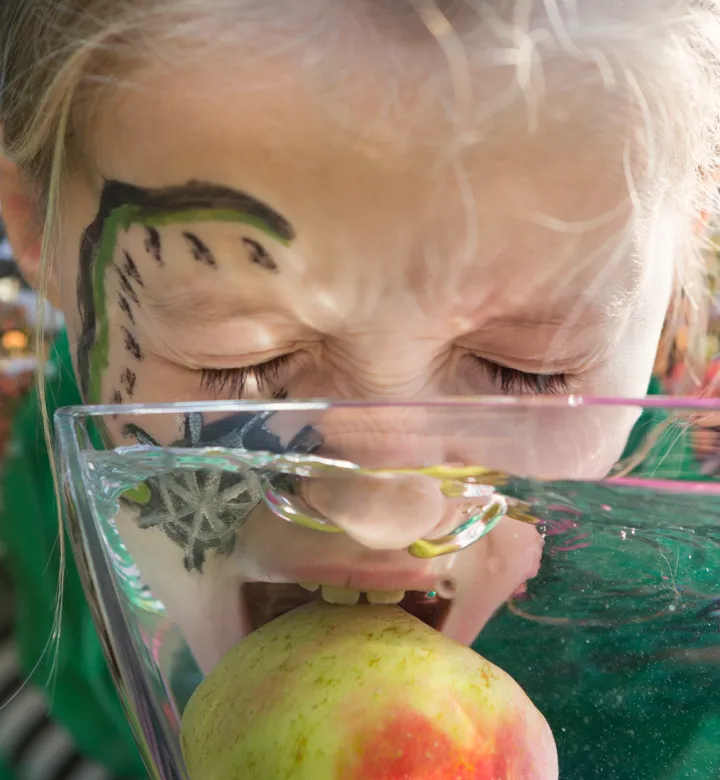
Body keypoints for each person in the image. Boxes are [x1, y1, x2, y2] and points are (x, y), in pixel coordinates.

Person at [0, 1, 719, 778]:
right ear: (32, 225)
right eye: (237, 366)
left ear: (694, 248)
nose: (382, 513)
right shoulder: (43, 470)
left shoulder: (690, 648)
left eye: (528, 372)